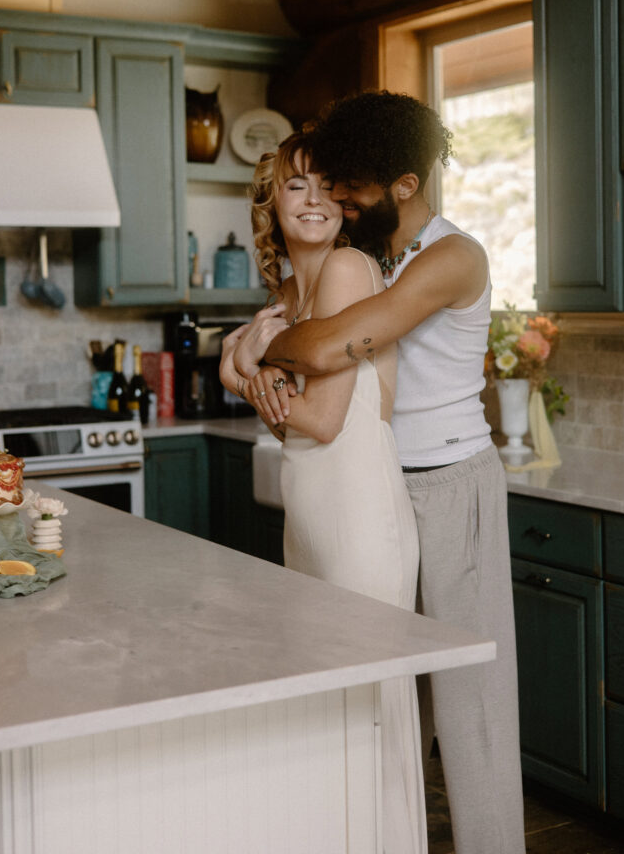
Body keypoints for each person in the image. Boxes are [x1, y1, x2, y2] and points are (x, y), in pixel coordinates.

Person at [233, 91, 526, 854]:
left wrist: (252, 353)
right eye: (320, 183)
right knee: (396, 687)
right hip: (389, 481)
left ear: (400, 182)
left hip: (452, 478)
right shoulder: (371, 254)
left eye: (349, 182)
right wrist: (262, 345)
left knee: (471, 697)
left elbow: (327, 349)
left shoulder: (451, 256)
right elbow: (313, 337)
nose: (335, 195)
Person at [219, 131, 429, 854]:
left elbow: (321, 421)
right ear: (270, 203)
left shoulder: (345, 269)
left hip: (360, 518)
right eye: (293, 186)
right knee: (325, 709)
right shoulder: (285, 295)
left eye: (323, 186)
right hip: (309, 517)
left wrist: (242, 374)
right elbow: (292, 429)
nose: (312, 200)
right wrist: (259, 380)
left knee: (368, 708)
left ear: (344, 203)